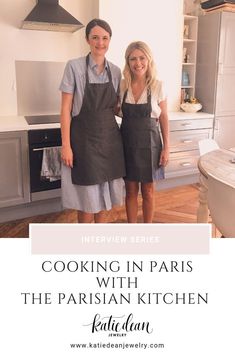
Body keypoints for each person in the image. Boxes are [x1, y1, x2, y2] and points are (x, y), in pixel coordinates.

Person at [59, 18, 125, 223]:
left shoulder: (115, 71)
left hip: (109, 141)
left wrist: (143, 113)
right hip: (84, 142)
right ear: (87, 39)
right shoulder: (74, 67)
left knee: (104, 197)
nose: (100, 43)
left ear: (110, 41)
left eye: (105, 38)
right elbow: (65, 109)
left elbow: (116, 108)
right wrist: (66, 146)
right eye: (95, 37)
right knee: (88, 198)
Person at [120, 41, 169, 223]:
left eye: (142, 58)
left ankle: (147, 230)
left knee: (148, 191)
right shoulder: (122, 85)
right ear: (128, 61)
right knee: (130, 191)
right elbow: (116, 109)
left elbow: (163, 117)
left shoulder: (158, 86)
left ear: (148, 60)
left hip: (151, 144)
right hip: (127, 144)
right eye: (133, 58)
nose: (137, 63)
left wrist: (166, 148)